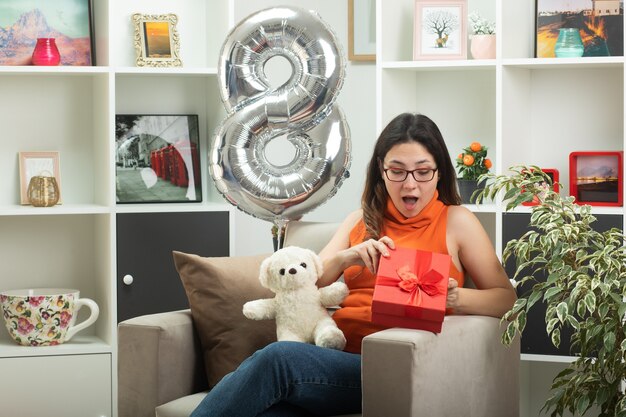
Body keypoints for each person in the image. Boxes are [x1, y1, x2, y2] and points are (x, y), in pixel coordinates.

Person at [190, 113, 517, 417]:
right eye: (397, 170)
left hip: (393, 368)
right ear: (381, 169)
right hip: (333, 357)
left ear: (439, 172)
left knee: (279, 358)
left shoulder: (457, 221)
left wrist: (455, 299)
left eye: (422, 171)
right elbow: (309, 284)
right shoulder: (358, 221)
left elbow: (506, 298)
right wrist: (348, 256)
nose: (410, 184)